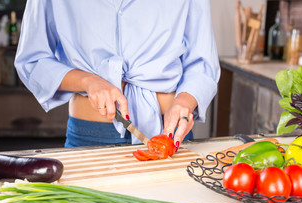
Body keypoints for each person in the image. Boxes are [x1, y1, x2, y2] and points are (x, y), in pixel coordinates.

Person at [15, 0, 220, 151]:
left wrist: (184, 102)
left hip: (169, 134)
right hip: (91, 135)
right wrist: (89, 81)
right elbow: (32, 60)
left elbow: (202, 64)